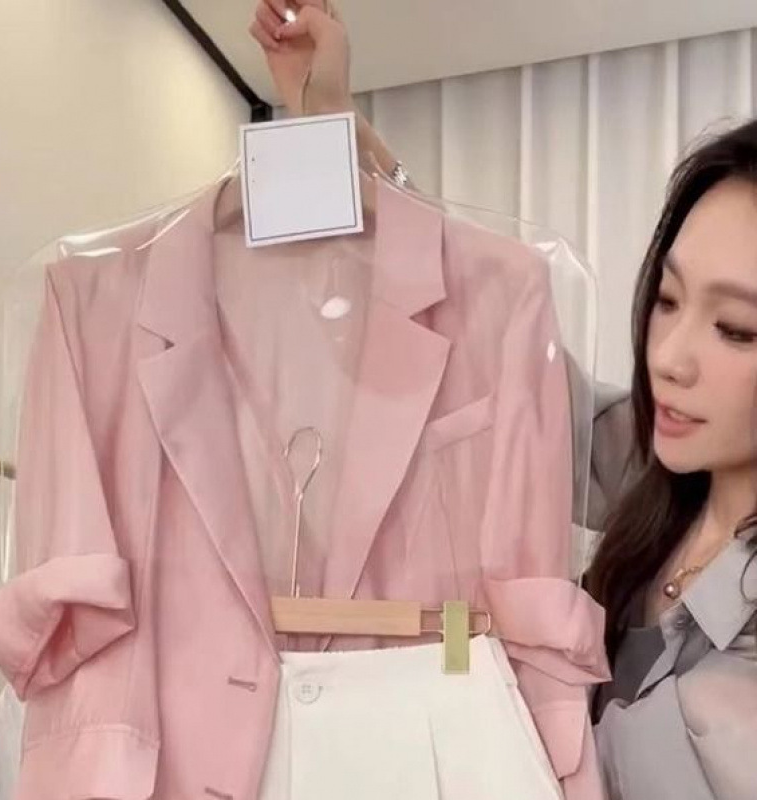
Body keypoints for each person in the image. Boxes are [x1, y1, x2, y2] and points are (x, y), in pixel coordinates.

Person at [250, 3, 757, 799]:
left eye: (735, 329)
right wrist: (337, 122)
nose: (668, 358)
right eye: (666, 300)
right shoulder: (654, 469)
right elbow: (491, 336)